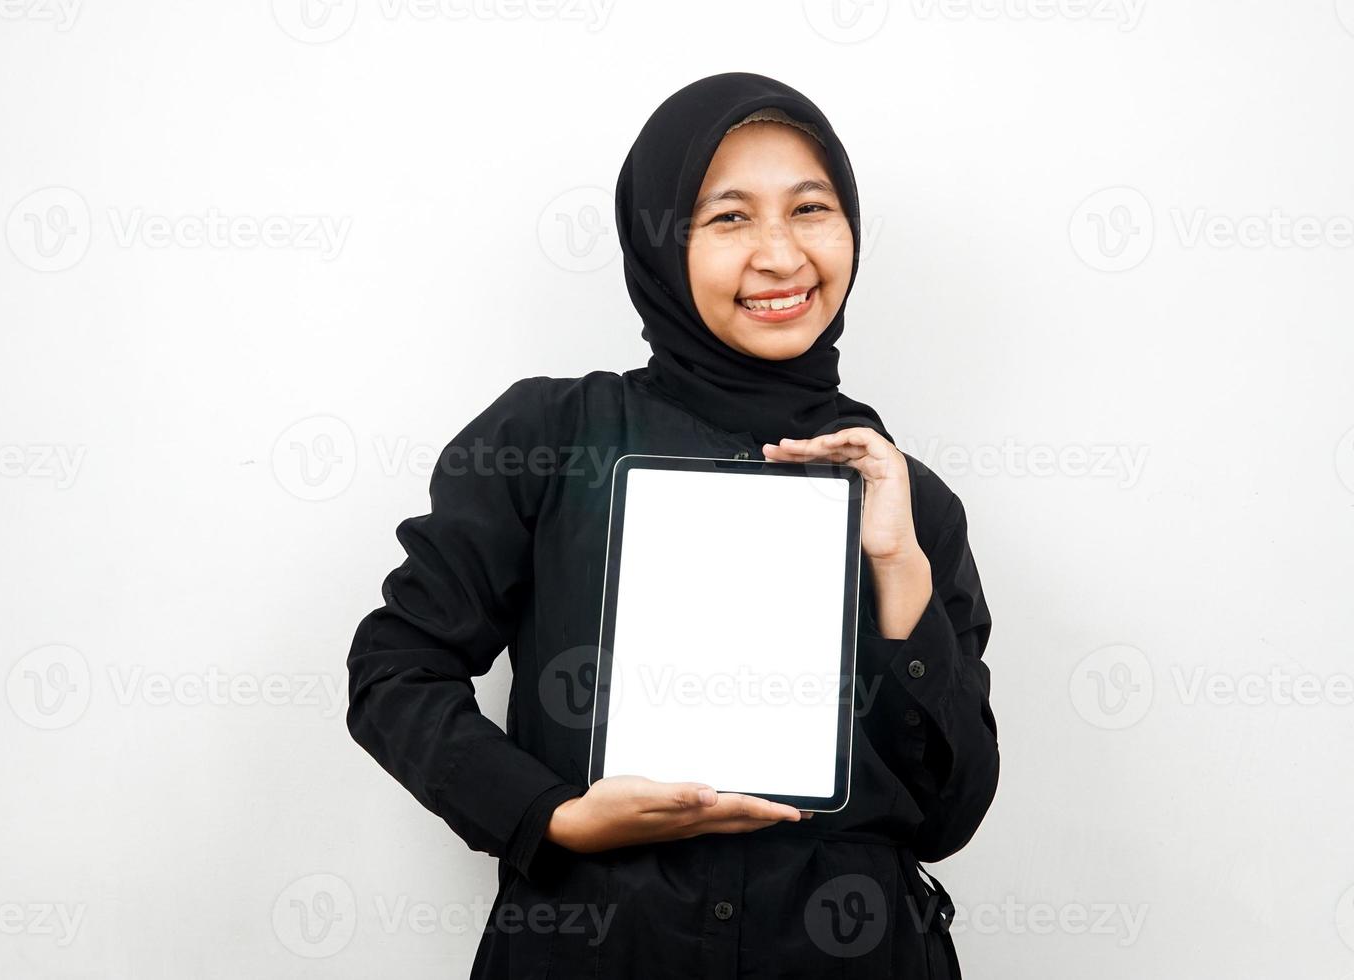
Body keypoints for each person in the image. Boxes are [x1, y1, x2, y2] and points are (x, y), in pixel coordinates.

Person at [346, 70, 998, 979]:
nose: (781, 256)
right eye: (728, 218)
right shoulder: (550, 439)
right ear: (659, 242)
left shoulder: (907, 498)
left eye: (811, 209)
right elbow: (394, 670)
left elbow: (949, 816)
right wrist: (550, 815)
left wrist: (899, 570)